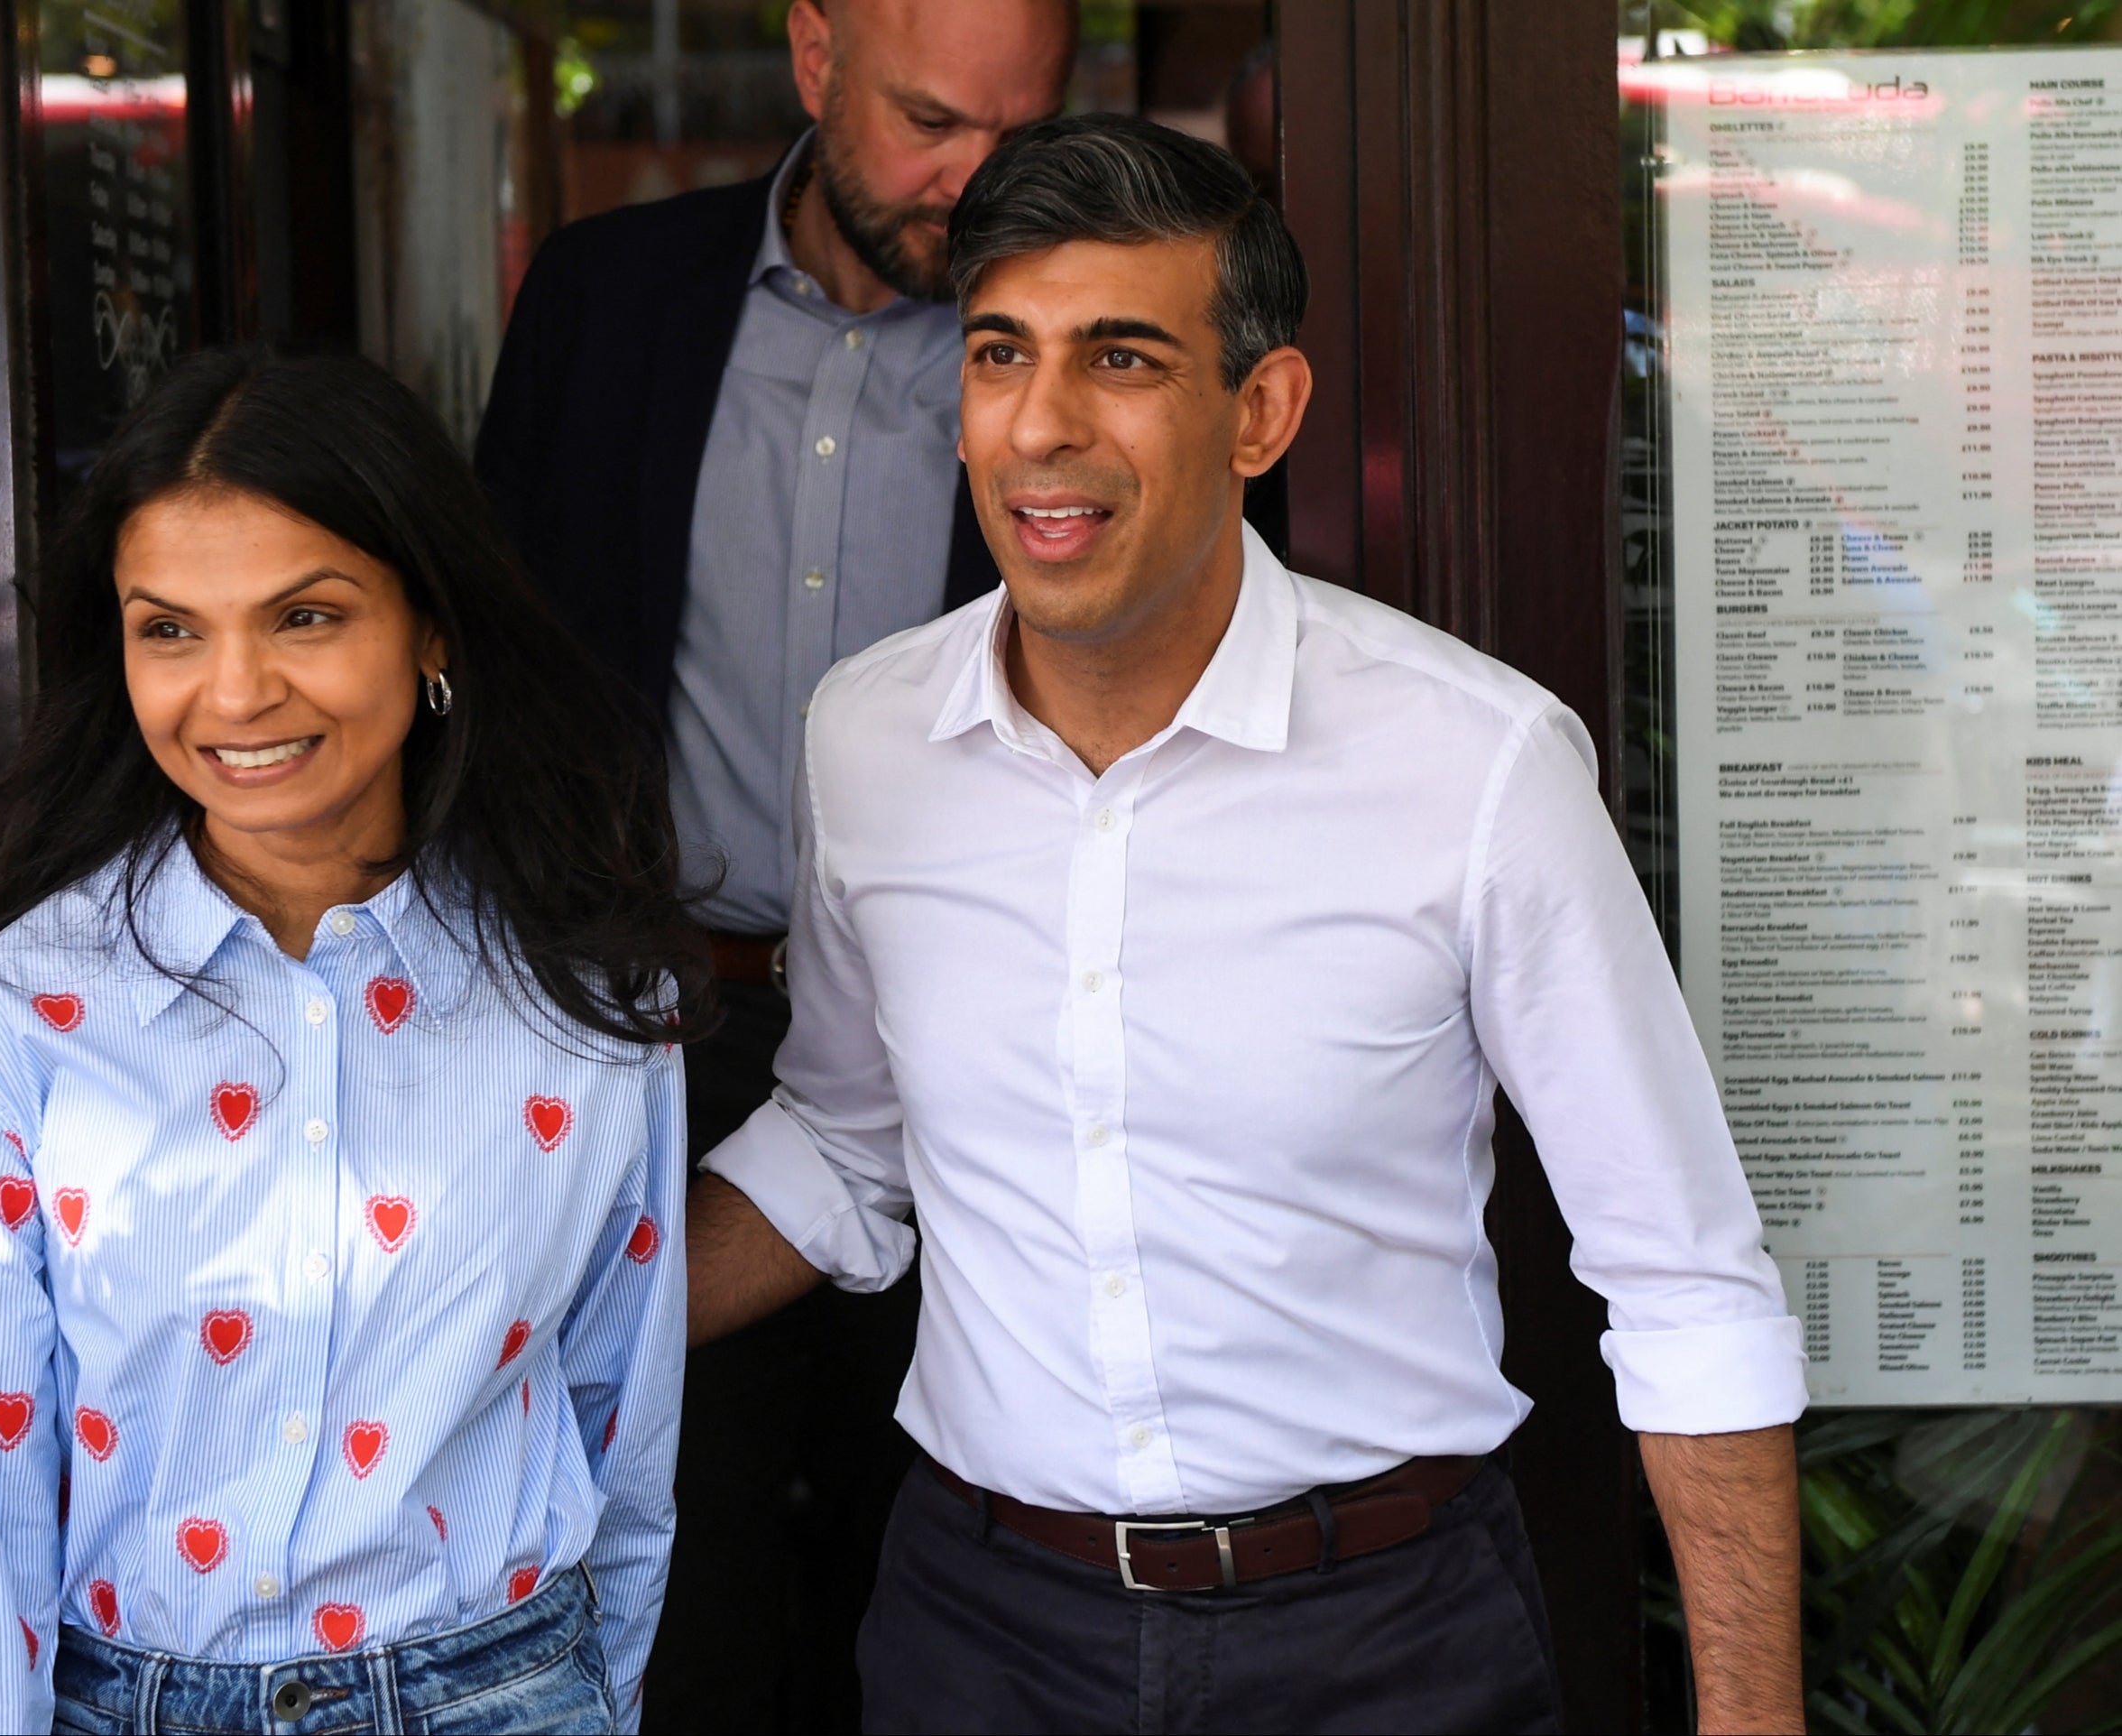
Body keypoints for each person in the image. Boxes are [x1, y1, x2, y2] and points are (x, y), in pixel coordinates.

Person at [689, 115, 1809, 1735]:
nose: (1042, 428)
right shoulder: (866, 737)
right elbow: (847, 1142)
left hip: (1386, 1645)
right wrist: (553, 1302)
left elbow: (1688, 1283)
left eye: (1122, 359)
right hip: (978, 1632)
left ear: (1261, 412)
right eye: (1002, 355)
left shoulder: (1474, 762)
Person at [0, 351, 699, 1734]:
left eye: (305, 616)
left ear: (433, 629)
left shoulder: (589, 1003)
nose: (233, 694)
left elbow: (622, 1446)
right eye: (169, 629)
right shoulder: (11, 1029)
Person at [474, 2, 1074, 1724]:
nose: (980, 183)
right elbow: (496, 683)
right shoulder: (607, 301)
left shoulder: (1081, 341)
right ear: (815, 61)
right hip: (663, 1040)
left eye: (1020, 132)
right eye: (933, 124)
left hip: (982, 1062)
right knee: (690, 1577)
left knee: (958, 1572)